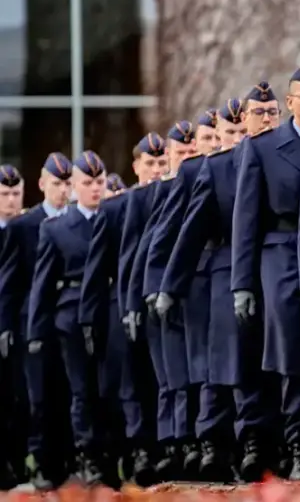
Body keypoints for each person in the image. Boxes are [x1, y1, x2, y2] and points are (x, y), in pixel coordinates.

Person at [170, 86, 280, 481]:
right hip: (224, 270)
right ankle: (218, 445)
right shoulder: (214, 169)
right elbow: (190, 232)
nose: (239, 139)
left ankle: (262, 444)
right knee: (226, 366)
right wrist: (168, 286)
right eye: (231, 133)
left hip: (272, 267)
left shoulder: (278, 156)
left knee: (264, 363)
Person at [232, 63, 300, 480]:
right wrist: (243, 284)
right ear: (289, 102)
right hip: (282, 253)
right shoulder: (263, 148)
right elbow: (246, 221)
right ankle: (299, 449)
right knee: (293, 358)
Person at [148, 110, 232, 482]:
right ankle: (201, 444)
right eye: (208, 138)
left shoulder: (244, 160)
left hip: (233, 272)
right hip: (197, 278)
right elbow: (166, 236)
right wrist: (159, 287)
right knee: (201, 367)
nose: (214, 144)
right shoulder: (191, 172)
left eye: (219, 137)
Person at [80, 136, 164, 487]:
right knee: (131, 382)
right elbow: (97, 271)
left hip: (163, 306)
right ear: (136, 166)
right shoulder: (115, 209)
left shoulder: (180, 195)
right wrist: (89, 318)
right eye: (150, 164)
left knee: (162, 380)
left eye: (162, 163)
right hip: (122, 305)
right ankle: (139, 449)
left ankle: (161, 450)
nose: (157, 170)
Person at [28, 152, 114, 486]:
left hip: (110, 308)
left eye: (100, 182)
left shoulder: (116, 216)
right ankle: (88, 454)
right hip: (72, 314)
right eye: (87, 183)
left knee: (111, 388)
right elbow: (43, 282)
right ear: (75, 187)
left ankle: (113, 454)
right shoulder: (56, 228)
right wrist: (36, 330)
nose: (95, 189)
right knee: (81, 391)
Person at [130, 121, 199, 480]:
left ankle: (188, 444)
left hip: (192, 288)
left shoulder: (202, 180)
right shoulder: (154, 194)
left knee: (192, 373)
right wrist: (133, 302)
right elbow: (139, 254)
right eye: (180, 153)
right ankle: (170, 445)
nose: (186, 159)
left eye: (192, 152)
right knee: (169, 377)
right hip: (160, 293)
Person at [0, 153, 73, 489]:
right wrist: (6, 325)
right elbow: (11, 284)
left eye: (67, 183)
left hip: (70, 316)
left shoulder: (78, 219)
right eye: (56, 183)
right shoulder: (23, 227)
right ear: (43, 185)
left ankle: (66, 460)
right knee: (36, 395)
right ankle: (40, 461)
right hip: (33, 321)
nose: (63, 190)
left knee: (69, 392)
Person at [0, 164, 24, 488]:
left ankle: (15, 462)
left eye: (16, 193)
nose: (10, 200)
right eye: (4, 194)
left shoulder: (28, 227)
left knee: (17, 398)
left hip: (20, 323)